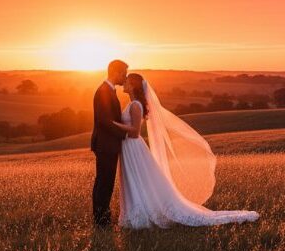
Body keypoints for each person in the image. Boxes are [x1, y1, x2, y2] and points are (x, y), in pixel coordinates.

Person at [111, 73, 260, 229]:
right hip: (128, 147)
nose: (124, 84)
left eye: (127, 82)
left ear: (133, 85)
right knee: (135, 180)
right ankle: (136, 213)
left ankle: (141, 215)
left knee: (137, 179)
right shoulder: (132, 103)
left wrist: (113, 125)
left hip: (133, 147)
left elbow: (134, 132)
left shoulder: (136, 105)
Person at [90, 59, 128, 226]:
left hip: (107, 144)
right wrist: (124, 133)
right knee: (104, 183)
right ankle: (101, 222)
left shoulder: (108, 90)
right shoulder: (104, 91)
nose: (125, 77)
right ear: (115, 72)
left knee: (105, 182)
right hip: (106, 145)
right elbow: (104, 120)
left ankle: (102, 219)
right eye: (123, 73)